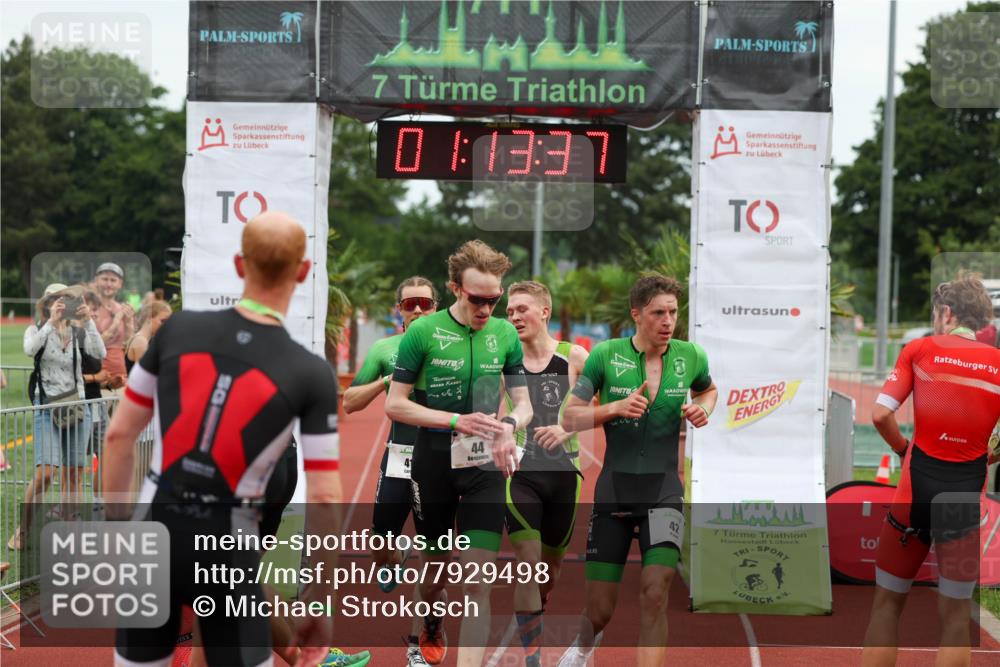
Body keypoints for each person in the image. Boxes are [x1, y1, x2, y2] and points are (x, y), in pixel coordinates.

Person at [104, 211, 341, 667]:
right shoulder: (311, 372)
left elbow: (119, 436)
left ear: (239, 265)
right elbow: (327, 496)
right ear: (304, 272)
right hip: (228, 545)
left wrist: (119, 532)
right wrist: (319, 603)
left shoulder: (177, 328)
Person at [385, 240, 533, 667]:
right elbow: (395, 404)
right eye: (477, 299)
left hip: (485, 464)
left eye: (495, 299)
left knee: (477, 583)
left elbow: (524, 405)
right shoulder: (423, 332)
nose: (487, 309)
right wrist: (454, 421)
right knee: (435, 577)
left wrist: (508, 426)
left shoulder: (505, 334)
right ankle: (431, 619)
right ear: (454, 288)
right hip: (432, 462)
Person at [557, 274, 717, 667]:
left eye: (673, 312)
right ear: (636, 314)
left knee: (655, 592)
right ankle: (581, 649)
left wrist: (704, 409)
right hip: (614, 493)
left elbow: (708, 390)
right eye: (658, 313)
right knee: (599, 611)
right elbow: (569, 417)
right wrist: (613, 408)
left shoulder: (690, 355)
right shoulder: (605, 355)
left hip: (664, 493)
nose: (668, 321)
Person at [862, 275, 1000, 667]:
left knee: (886, 606)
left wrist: (904, 450)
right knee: (956, 616)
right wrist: (991, 455)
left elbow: (879, 415)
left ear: (948, 312)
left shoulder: (920, 350)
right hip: (962, 495)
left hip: (913, 489)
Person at [343, 276, 438, 667]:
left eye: (424, 303)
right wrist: (388, 380)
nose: (417, 309)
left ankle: (417, 644)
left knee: (435, 558)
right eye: (409, 303)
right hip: (400, 454)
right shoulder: (385, 349)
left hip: (439, 463)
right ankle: (395, 556)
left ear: (436, 307)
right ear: (398, 310)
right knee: (379, 545)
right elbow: (349, 402)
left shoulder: (450, 346)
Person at [503, 281, 588, 667]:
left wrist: (568, 429)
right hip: (519, 473)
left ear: (544, 313)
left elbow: (602, 407)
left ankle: (541, 601)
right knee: (527, 563)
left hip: (564, 475)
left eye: (522, 309)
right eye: (510, 311)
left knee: (547, 573)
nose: (514, 316)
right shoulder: (505, 359)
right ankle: (533, 657)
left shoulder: (576, 358)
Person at [7, 283, 105, 550]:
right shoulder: (37, 329)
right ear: (47, 303)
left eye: (67, 299)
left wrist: (89, 321)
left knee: (74, 473)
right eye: (56, 299)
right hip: (47, 405)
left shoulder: (78, 332)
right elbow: (29, 349)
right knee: (46, 473)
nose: (62, 303)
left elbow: (100, 355)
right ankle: (23, 530)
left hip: (77, 404)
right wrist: (51, 322)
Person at [92, 261, 134, 392]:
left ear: (120, 284)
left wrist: (128, 324)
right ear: (96, 281)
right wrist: (116, 322)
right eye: (104, 279)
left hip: (121, 378)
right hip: (97, 380)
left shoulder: (123, 309)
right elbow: (93, 345)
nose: (109, 284)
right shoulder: (89, 309)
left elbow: (128, 346)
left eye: (113, 280)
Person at [124, 300, 172, 373]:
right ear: (149, 318)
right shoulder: (140, 341)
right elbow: (146, 374)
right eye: (163, 321)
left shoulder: (146, 339)